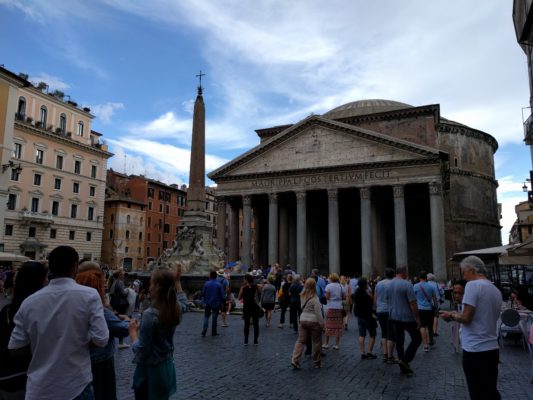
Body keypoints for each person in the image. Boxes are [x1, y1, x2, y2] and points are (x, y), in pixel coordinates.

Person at [8, 246, 108, 400]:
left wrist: (43, 345)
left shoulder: (29, 302)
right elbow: (101, 340)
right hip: (77, 385)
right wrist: (75, 343)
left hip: (39, 389)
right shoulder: (89, 295)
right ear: (75, 267)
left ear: (51, 267)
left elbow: (15, 347)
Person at [440, 256, 502, 400]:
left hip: (475, 349)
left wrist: (451, 315)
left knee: (478, 393)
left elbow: (466, 318)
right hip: (492, 348)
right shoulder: (495, 289)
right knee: (491, 392)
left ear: (471, 270)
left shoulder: (473, 286)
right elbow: (481, 317)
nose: (464, 276)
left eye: (464, 273)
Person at [76, 266, 129, 400]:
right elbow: (121, 329)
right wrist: (129, 322)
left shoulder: (74, 304)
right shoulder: (98, 309)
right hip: (101, 360)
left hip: (79, 361)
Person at [129, 268, 182, 400]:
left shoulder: (150, 314)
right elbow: (183, 300)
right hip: (166, 368)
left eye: (151, 283)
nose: (149, 287)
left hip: (150, 373)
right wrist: (177, 281)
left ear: (158, 286)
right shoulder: (175, 308)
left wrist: (133, 332)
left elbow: (141, 350)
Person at [0, 262, 48, 400]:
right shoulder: (41, 311)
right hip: (30, 378)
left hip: (7, 378)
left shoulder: (7, 311)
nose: (48, 282)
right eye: (45, 278)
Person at [387, 266, 421, 375]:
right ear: (403, 272)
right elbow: (413, 303)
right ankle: (405, 360)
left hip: (393, 316)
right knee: (417, 338)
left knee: (399, 341)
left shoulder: (389, 284)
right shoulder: (407, 284)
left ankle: (403, 365)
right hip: (406, 316)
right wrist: (417, 318)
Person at [291, 278, 324, 369]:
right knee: (316, 342)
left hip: (303, 319)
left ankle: (295, 360)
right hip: (313, 321)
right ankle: (317, 362)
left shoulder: (302, 296)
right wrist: (322, 323)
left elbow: (302, 307)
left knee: (300, 341)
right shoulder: (315, 298)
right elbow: (318, 312)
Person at [352, 278, 377, 359]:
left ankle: (362, 352)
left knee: (361, 335)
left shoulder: (356, 293)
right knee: (372, 334)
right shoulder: (366, 295)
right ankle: (369, 352)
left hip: (359, 316)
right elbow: (371, 305)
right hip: (367, 316)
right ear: (365, 285)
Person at [374, 268, 395, 363]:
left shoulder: (379, 284)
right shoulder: (394, 283)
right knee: (391, 333)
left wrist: (375, 308)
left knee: (383, 332)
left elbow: (375, 297)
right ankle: (390, 356)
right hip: (391, 310)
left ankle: (385, 354)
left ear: (385, 274)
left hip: (380, 310)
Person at [413, 271, 437, 352]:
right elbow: (435, 299)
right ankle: (431, 341)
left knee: (422, 326)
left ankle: (425, 345)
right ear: (426, 278)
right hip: (429, 309)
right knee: (430, 326)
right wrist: (436, 308)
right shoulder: (431, 286)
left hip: (420, 308)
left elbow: (413, 299)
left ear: (419, 277)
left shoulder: (415, 286)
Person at [323, 273, 346, 350]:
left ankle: (326, 343)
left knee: (328, 325)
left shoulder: (328, 286)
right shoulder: (341, 286)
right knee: (338, 326)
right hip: (339, 307)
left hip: (330, 307)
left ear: (331, 279)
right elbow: (344, 297)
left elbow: (327, 297)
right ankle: (337, 345)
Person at [238, 273, 262, 345]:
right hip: (252, 307)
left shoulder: (245, 287)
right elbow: (261, 292)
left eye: (244, 279)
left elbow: (239, 298)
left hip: (249, 307)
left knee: (248, 324)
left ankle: (247, 341)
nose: (243, 281)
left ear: (246, 280)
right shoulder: (255, 286)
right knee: (254, 324)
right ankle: (254, 341)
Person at [201, 270, 225, 337]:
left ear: (210, 276)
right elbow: (222, 295)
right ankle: (213, 332)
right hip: (216, 303)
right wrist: (222, 302)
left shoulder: (206, 283)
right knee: (214, 318)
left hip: (208, 302)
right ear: (216, 276)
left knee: (206, 316)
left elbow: (203, 293)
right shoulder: (219, 284)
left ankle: (204, 330)